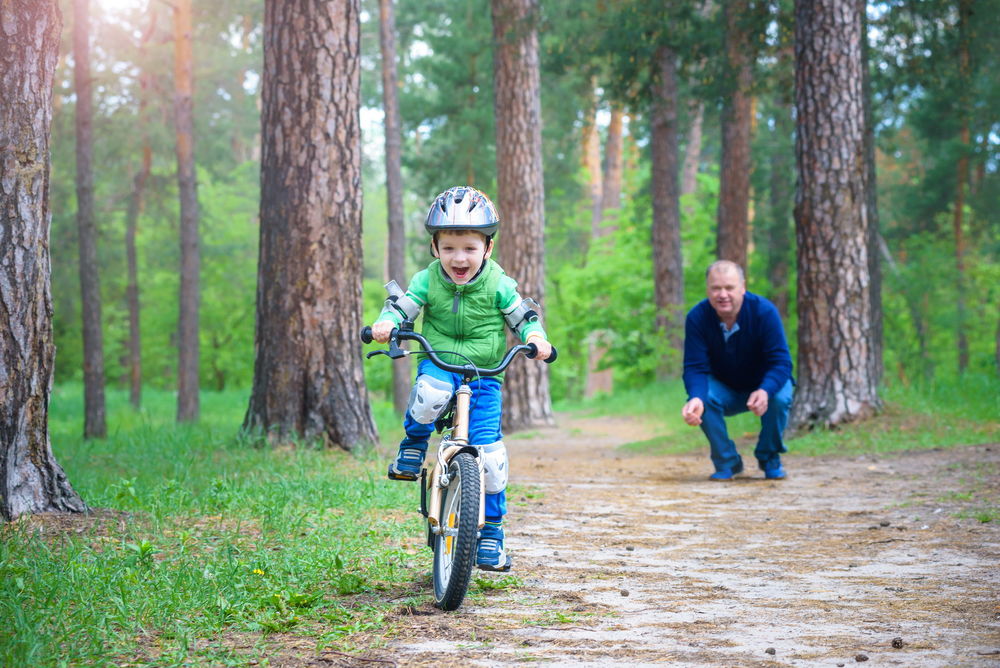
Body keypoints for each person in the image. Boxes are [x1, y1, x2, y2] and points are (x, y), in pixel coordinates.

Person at [369, 185, 553, 571]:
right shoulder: (427, 279)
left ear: (487, 248)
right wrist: (386, 324)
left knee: (491, 460)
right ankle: (414, 443)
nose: (459, 257)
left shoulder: (499, 283)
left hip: (485, 377)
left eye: (470, 248)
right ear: (435, 247)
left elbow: (523, 317)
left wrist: (536, 339)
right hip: (440, 363)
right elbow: (403, 307)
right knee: (430, 394)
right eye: (449, 247)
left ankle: (492, 535)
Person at [681, 260, 794, 481]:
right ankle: (727, 462)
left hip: (764, 384)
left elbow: (781, 362)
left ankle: (769, 457)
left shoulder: (764, 312)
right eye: (716, 288)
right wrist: (695, 397)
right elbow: (695, 367)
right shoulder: (697, 317)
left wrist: (765, 389)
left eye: (729, 288)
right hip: (726, 389)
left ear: (742, 287)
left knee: (780, 398)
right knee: (704, 398)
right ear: (708, 290)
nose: (722, 294)